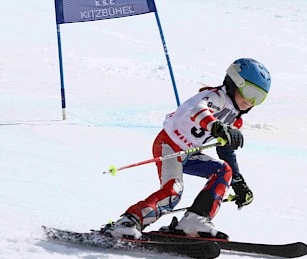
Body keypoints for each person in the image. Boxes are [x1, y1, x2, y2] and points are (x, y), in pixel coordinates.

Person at [103, 58, 271, 240]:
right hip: (170, 145)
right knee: (173, 192)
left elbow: (225, 150)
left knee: (224, 170)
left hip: (190, 153)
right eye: (250, 92)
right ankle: (128, 222)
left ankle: (195, 220)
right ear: (234, 82)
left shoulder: (236, 118)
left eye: (260, 98)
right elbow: (197, 111)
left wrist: (238, 182)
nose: (252, 101)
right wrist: (217, 127)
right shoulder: (216, 97)